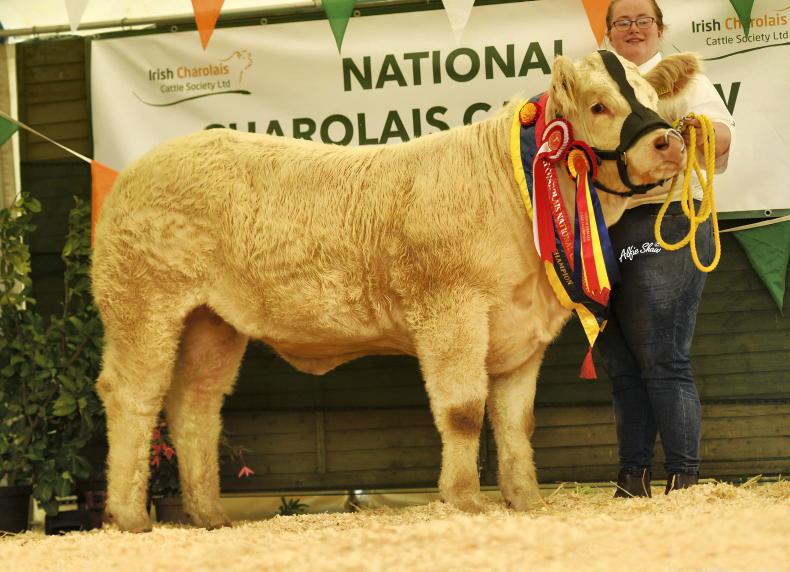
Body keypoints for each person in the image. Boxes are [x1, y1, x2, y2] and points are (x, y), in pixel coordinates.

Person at [597, 0, 736, 497]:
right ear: (608, 32)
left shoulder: (684, 80)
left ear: (660, 28)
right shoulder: (598, 86)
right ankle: (632, 478)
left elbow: (722, 136)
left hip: (668, 216)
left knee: (662, 355)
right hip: (606, 225)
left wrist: (699, 131)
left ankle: (684, 479)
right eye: (623, 22)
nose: (633, 29)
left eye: (643, 21)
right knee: (621, 363)